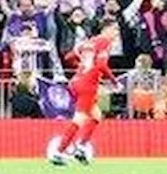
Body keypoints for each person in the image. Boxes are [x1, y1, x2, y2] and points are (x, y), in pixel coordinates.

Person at [51, 19, 121, 166]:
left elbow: (69, 56)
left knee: (96, 115)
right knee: (80, 118)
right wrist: (114, 82)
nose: (116, 33)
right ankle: (59, 151)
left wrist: (82, 67)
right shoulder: (104, 42)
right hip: (87, 85)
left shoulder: (89, 42)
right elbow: (101, 65)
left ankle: (81, 147)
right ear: (106, 29)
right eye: (114, 29)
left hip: (77, 81)